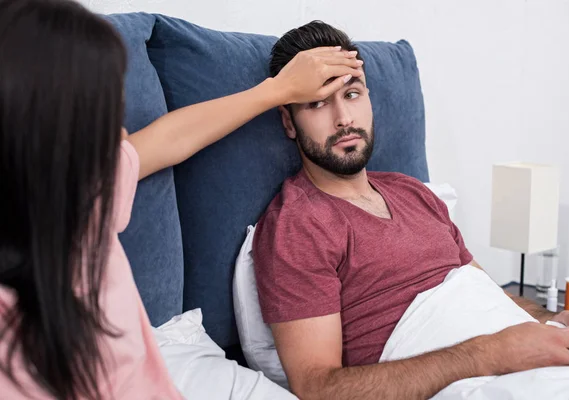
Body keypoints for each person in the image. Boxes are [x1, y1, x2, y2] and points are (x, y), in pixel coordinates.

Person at [0, 1, 363, 398]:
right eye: (96, 110)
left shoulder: (83, 190)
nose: (119, 130)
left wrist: (280, 89)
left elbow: (168, 140)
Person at [252, 20, 569, 400]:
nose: (344, 119)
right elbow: (317, 388)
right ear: (289, 121)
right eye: (318, 103)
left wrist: (549, 319)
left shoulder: (413, 192)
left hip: (530, 357)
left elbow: (482, 291)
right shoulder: (297, 225)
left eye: (351, 94)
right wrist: (491, 352)